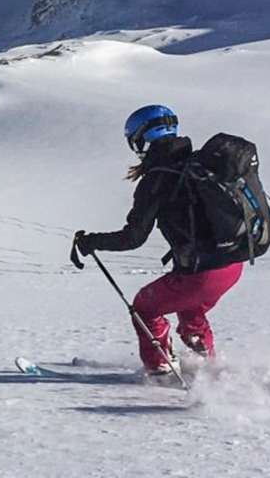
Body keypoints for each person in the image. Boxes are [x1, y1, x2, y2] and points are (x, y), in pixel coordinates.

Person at [71, 105, 244, 377]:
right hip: (232, 263)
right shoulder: (198, 164)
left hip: (202, 273)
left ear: (142, 137)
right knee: (190, 312)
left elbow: (133, 237)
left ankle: (160, 370)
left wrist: (92, 242)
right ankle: (206, 364)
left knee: (145, 307)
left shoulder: (158, 178)